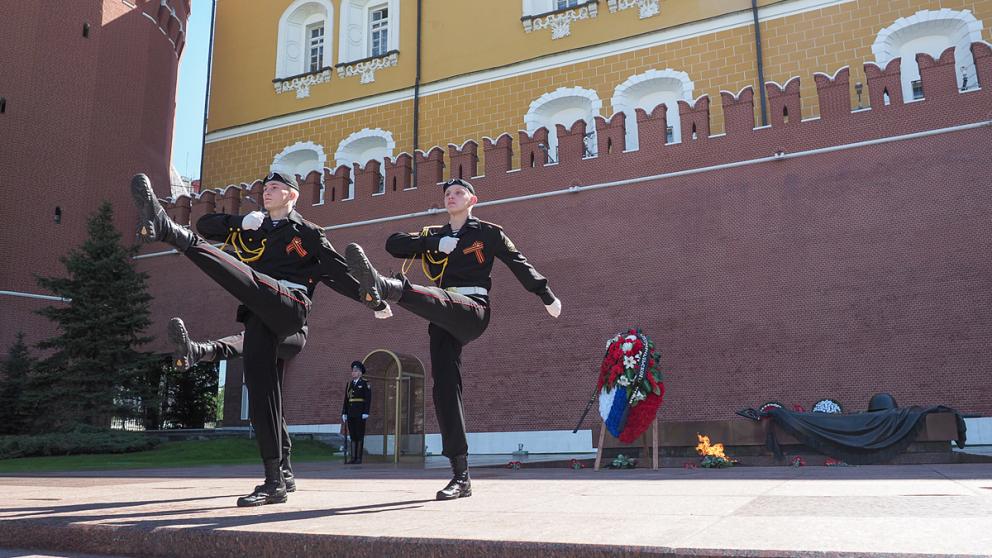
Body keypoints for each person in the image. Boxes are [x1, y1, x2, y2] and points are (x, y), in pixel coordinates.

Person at [129, 171, 388, 507]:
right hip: (258, 317)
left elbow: (338, 272)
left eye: (276, 187)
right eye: (265, 187)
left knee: (249, 278)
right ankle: (275, 480)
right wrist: (241, 222)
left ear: (293, 196)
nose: (268, 192)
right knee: (263, 397)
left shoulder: (307, 233)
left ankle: (168, 229)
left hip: (290, 307)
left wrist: (372, 300)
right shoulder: (255, 227)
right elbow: (208, 225)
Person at [344, 178, 561, 500]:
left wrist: (545, 294)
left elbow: (518, 262)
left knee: (439, 299)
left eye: (458, 192)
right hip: (441, 314)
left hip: (473, 309)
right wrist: (434, 244)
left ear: (473, 199)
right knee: (445, 388)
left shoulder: (488, 233)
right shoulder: (434, 234)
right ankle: (460, 475)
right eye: (447, 193)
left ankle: (388, 288)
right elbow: (394, 243)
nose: (452, 197)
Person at [340, 360, 372, 464]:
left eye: (355, 371)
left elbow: (368, 399)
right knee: (352, 435)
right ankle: (353, 457)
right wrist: (344, 412)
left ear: (360, 373)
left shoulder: (365, 383)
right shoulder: (349, 384)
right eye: (352, 370)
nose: (353, 372)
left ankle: (359, 457)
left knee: (359, 434)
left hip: (360, 413)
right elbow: (346, 399)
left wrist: (366, 412)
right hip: (350, 413)